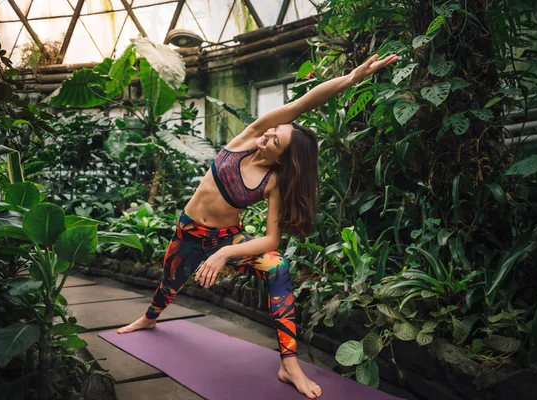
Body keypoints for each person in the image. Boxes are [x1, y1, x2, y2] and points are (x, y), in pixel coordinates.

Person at [117, 53, 399, 399]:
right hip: (189, 230)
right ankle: (149, 318)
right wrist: (352, 77)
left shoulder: (273, 181)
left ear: (283, 158)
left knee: (278, 266)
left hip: (228, 238)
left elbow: (271, 239)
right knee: (170, 279)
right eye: (273, 131)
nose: (266, 136)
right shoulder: (248, 137)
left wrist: (226, 252)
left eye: (274, 141)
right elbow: (305, 101)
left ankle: (289, 364)